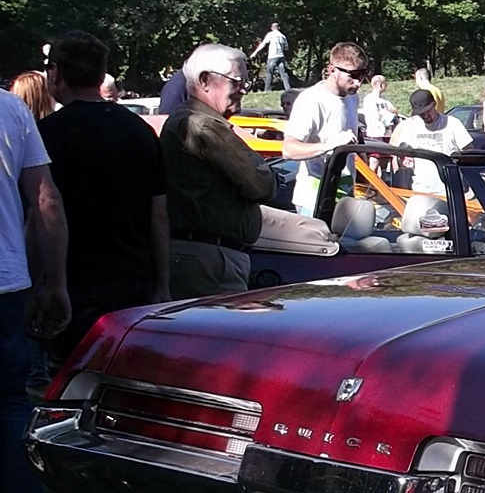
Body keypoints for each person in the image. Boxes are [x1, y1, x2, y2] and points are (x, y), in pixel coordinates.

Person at [38, 31, 170, 364]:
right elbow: (159, 215)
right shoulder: (140, 131)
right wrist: (162, 284)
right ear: (101, 76)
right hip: (134, 280)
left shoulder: (49, 133)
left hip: (76, 281)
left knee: (68, 383)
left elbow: (42, 211)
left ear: (57, 73)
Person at [0, 90, 70, 493]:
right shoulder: (9, 107)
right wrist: (55, 281)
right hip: (5, 282)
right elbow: (45, 199)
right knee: (7, 406)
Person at [162, 44, 279, 298]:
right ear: (205, 80)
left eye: (246, 81)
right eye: (237, 81)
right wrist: (265, 170)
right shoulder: (202, 125)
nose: (244, 89)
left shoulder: (193, 119)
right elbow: (261, 184)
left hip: (206, 257)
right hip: (209, 262)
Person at [283, 43, 365, 214]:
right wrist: (329, 145)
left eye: (363, 74)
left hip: (344, 195)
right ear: (332, 69)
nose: (358, 82)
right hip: (313, 200)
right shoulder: (312, 100)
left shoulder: (352, 98)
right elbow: (289, 150)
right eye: (353, 75)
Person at [390, 89, 473, 197]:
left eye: (427, 111)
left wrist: (470, 187)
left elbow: (470, 154)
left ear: (434, 105)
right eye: (421, 114)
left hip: (450, 191)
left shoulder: (453, 124)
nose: (425, 116)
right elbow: (399, 158)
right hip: (420, 191)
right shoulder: (409, 126)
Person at [251, 22, 293, 91]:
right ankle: (288, 89)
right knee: (283, 74)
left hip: (273, 56)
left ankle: (267, 90)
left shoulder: (270, 34)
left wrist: (255, 52)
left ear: (271, 28)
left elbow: (263, 44)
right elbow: (286, 48)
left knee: (269, 73)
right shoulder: (283, 36)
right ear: (279, 28)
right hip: (281, 56)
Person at [362, 74, 397, 143]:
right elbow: (375, 116)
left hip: (388, 134)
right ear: (381, 85)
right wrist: (387, 113)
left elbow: (395, 111)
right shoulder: (369, 99)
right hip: (375, 134)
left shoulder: (384, 99)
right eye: (385, 83)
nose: (386, 86)